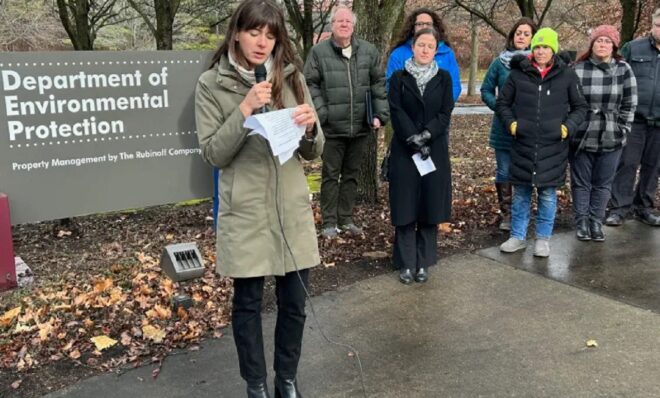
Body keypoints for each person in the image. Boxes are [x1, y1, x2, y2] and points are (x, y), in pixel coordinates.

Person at [194, 0, 324, 396]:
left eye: (270, 35)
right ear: (236, 33)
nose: (262, 42)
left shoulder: (292, 76)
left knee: (295, 305)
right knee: (248, 304)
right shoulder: (211, 84)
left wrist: (308, 128)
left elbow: (314, 150)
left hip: (290, 209)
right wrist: (245, 111)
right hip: (246, 210)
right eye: (254, 32)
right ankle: (256, 385)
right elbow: (213, 153)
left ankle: (286, 379)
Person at [496, 28, 588, 257]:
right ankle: (517, 236)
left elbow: (580, 107)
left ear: (553, 49)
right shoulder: (518, 74)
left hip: (554, 146)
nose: (540, 51)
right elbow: (503, 104)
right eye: (537, 47)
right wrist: (512, 125)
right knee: (521, 194)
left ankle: (543, 239)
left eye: (545, 47)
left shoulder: (566, 75)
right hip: (523, 144)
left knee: (547, 194)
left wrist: (567, 128)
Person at [304, 5, 389, 238]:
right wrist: (323, 113)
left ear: (353, 26)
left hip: (360, 127)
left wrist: (379, 115)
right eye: (339, 21)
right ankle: (329, 222)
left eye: (348, 21)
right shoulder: (319, 52)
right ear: (332, 25)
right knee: (330, 175)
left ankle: (346, 219)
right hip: (332, 129)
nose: (344, 24)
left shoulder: (368, 51)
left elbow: (378, 84)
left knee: (351, 175)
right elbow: (310, 84)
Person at [387, 28, 455, 284]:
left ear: (435, 50)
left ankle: (423, 262)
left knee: (429, 206)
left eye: (430, 46)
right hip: (405, 150)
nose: (425, 50)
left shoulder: (445, 78)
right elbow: (396, 110)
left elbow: (446, 111)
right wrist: (413, 138)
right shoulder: (398, 78)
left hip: (434, 149)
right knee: (405, 206)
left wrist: (427, 135)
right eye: (421, 45)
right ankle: (406, 262)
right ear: (413, 48)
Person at [571, 25, 637, 242]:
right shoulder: (578, 69)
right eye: (599, 41)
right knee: (581, 181)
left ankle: (596, 222)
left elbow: (629, 103)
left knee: (603, 182)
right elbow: (569, 101)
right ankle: (581, 221)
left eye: (607, 41)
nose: (602, 45)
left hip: (611, 133)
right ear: (592, 44)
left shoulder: (623, 69)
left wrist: (622, 128)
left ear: (614, 45)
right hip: (583, 133)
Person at [481, 18, 538, 231]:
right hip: (503, 127)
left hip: (529, 126)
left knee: (525, 170)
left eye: (526, 33)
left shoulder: (538, 62)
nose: (521, 36)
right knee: (504, 170)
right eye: (518, 33)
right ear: (512, 37)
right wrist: (499, 108)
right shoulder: (499, 63)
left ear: (533, 38)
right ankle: (507, 213)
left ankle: (523, 211)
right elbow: (486, 89)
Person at [605, 8, 660, 227]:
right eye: (659, 25)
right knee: (627, 163)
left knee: (653, 166)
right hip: (634, 119)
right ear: (652, 25)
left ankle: (644, 207)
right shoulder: (633, 48)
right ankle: (619, 207)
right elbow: (616, 76)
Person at [386, 7, 461, 101]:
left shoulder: (447, 53)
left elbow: (455, 86)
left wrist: (442, 109)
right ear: (413, 28)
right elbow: (390, 87)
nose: (424, 27)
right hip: (406, 113)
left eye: (428, 24)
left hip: (439, 112)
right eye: (420, 24)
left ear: (435, 27)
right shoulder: (398, 54)